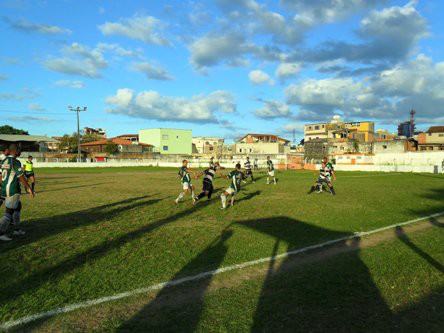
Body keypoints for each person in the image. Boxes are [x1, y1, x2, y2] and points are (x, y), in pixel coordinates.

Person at [0, 144, 34, 241]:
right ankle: (1, 233)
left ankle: (17, 230)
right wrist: (28, 188)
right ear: (14, 151)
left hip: (5, 188)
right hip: (13, 189)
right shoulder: (15, 161)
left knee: (18, 206)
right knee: (9, 212)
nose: (20, 152)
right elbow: (21, 176)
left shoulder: (4, 161)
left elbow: (1, 176)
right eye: (19, 150)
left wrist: (3, 185)